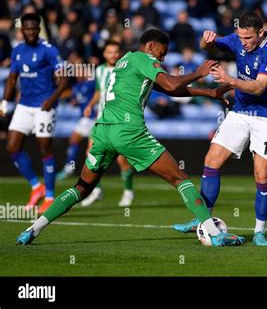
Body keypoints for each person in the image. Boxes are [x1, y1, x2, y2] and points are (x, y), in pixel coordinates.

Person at [16, 29, 245, 247]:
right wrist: (199, 72)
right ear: (150, 46)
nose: (162, 59)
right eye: (161, 53)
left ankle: (32, 230)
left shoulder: (124, 61)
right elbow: (170, 82)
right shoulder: (145, 59)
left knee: (81, 187)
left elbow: (168, 89)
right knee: (180, 179)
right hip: (129, 131)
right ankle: (214, 235)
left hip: (103, 131)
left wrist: (209, 93)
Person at [173, 12, 267, 246]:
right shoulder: (236, 38)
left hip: (266, 116)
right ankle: (202, 219)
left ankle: (259, 232)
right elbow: (207, 46)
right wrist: (206, 38)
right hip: (240, 112)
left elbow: (259, 87)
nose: (243, 42)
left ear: (260, 33)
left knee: (262, 174)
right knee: (211, 160)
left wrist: (229, 80)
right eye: (240, 37)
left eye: (248, 38)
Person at [0, 13, 68, 214]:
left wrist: (52, 99)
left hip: (44, 106)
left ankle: (49, 196)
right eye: (26, 29)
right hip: (24, 105)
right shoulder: (18, 50)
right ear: (21, 30)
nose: (30, 32)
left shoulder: (49, 50)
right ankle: (36, 187)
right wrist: (4, 102)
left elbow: (64, 78)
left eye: (34, 29)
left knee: (44, 148)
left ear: (38, 29)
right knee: (12, 147)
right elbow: (12, 79)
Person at [59, 40, 136, 207]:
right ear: (104, 54)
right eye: (109, 52)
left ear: (120, 53)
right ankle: (96, 190)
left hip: (119, 121)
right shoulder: (100, 70)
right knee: (91, 155)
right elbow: (99, 92)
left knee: (122, 160)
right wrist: (90, 104)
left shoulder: (126, 69)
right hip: (100, 120)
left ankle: (129, 191)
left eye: (116, 52)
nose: (113, 55)